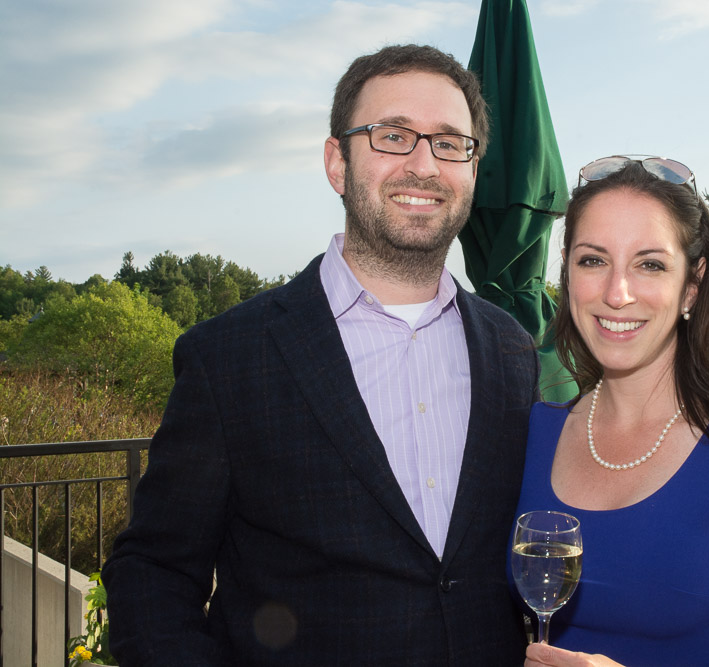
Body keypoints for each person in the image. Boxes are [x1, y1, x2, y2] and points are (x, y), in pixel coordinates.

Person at [102, 44, 540, 666]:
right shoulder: (228, 358)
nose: (424, 164)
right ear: (337, 162)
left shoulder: (513, 352)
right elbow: (154, 570)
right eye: (393, 136)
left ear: (472, 170)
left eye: (449, 143)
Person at [511, 156, 709, 667]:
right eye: (593, 261)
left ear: (692, 286)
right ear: (567, 272)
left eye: (650, 265)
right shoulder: (537, 433)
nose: (617, 294)